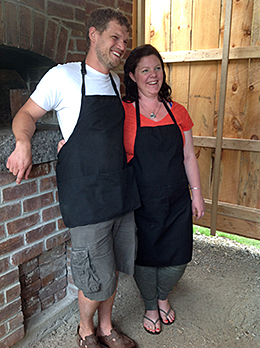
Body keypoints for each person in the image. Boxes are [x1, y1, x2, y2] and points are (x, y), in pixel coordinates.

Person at [6, 8, 140, 348]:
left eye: (125, 41)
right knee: (95, 273)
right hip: (86, 195)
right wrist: (23, 143)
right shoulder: (62, 76)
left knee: (116, 266)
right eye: (115, 38)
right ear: (93, 35)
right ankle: (85, 330)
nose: (121, 46)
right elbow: (26, 114)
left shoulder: (114, 80)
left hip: (118, 189)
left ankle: (107, 327)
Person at [122, 44, 205, 335]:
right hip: (142, 201)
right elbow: (99, 137)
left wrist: (197, 193)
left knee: (179, 255)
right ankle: (150, 305)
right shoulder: (125, 113)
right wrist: (69, 143)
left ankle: (163, 295)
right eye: (145, 70)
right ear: (132, 76)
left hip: (177, 199)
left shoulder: (177, 111)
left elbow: (188, 155)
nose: (153, 75)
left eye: (157, 68)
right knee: (145, 257)